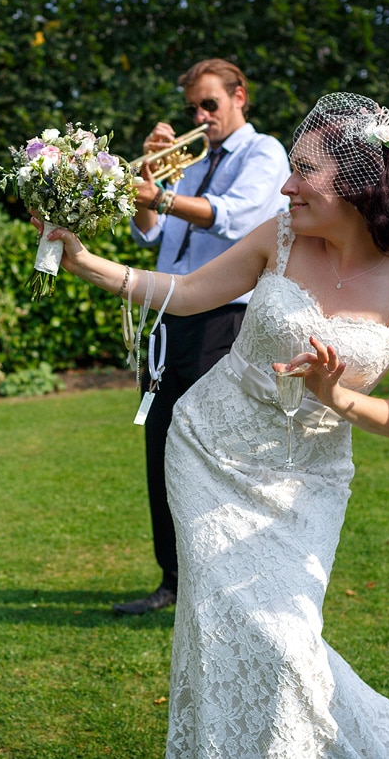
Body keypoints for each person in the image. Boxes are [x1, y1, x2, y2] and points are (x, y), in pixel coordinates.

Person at [38, 93, 389, 757]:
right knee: (236, 632)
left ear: (357, 184)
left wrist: (337, 396)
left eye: (305, 171)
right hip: (210, 450)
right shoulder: (279, 235)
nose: (287, 185)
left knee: (287, 641)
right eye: (290, 168)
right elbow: (187, 294)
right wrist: (88, 264)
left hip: (308, 486)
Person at [117, 58, 290, 615]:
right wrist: (152, 181)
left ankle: (222, 579)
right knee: (160, 441)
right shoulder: (190, 161)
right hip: (171, 314)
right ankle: (172, 579)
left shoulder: (264, 154)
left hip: (225, 318)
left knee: (212, 450)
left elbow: (234, 218)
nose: (200, 115)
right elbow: (153, 235)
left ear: (240, 97)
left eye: (209, 104)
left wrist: (161, 195)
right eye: (193, 106)